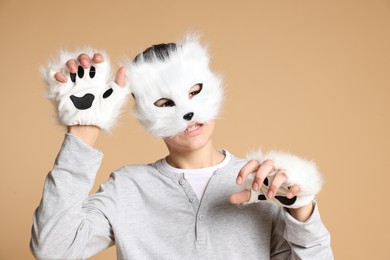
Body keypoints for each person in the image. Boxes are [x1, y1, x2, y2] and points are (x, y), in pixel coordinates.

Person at [30, 35, 333, 259]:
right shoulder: (127, 188)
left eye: (195, 92)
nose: (186, 112)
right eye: (164, 103)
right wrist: (84, 130)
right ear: (145, 112)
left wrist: (301, 208)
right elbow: (53, 249)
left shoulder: (264, 181)